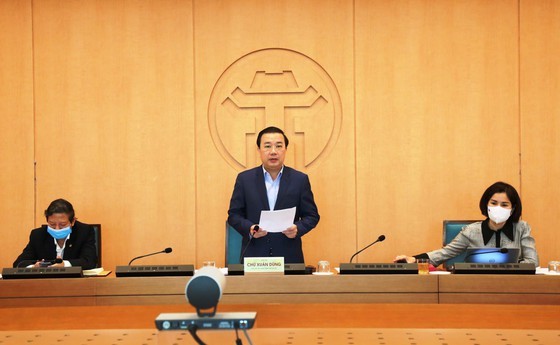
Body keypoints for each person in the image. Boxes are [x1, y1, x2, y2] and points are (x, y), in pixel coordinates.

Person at [228, 126, 320, 263]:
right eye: (267, 146)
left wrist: (297, 229)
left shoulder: (299, 180)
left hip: (289, 257)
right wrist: (250, 228)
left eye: (278, 146)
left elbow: (312, 216)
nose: (273, 152)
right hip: (254, 256)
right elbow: (234, 215)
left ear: (285, 149)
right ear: (259, 150)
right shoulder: (244, 179)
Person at [394, 181, 539, 267]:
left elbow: (532, 261)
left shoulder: (522, 228)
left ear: (512, 208)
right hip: (476, 285)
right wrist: (414, 259)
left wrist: (511, 269)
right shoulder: (471, 231)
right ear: (486, 204)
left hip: (514, 284)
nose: (498, 208)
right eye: (494, 203)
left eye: (504, 204)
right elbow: (445, 253)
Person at [13, 199, 98, 270]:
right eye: (52, 224)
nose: (57, 229)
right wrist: (34, 267)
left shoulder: (84, 232)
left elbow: (89, 262)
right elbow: (19, 263)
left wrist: (64, 264)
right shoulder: (38, 235)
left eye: (62, 225)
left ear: (73, 222)